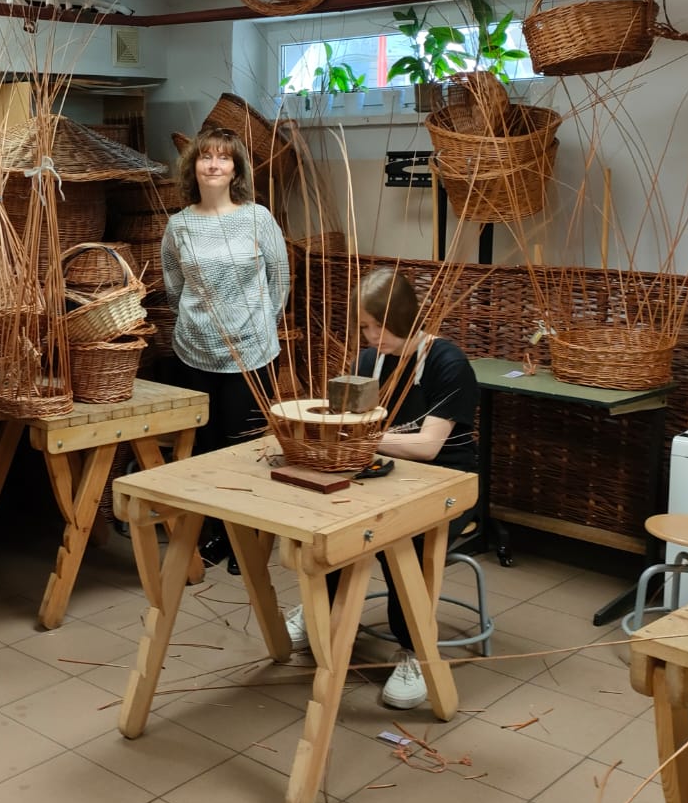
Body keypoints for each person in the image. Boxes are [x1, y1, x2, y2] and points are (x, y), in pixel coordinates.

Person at [283, 267, 480, 712]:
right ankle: (322, 613)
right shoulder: (369, 362)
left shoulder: (448, 363)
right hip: (383, 474)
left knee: (399, 541)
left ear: (405, 317)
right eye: (365, 327)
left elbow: (429, 446)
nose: (371, 337)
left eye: (378, 326)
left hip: (444, 482)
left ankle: (414, 651)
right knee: (333, 524)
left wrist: (359, 439)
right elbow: (347, 422)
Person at [161, 126, 289, 570]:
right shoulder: (179, 225)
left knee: (246, 450)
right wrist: (200, 322)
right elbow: (173, 287)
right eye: (205, 157)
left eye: (224, 158)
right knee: (206, 449)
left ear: (236, 170)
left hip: (252, 354)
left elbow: (279, 280)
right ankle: (219, 535)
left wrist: (258, 325)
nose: (214, 165)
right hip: (194, 351)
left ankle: (246, 540)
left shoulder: (258, 218)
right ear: (192, 166)